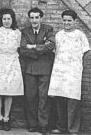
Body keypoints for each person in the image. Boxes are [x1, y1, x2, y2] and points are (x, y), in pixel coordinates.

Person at [48, 10, 90, 135]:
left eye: (69, 21)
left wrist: (81, 69)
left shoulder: (80, 35)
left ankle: (73, 129)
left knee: (73, 101)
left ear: (74, 21)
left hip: (73, 73)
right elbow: (54, 52)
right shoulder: (59, 35)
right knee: (60, 99)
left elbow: (87, 53)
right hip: (60, 73)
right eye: (64, 20)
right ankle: (61, 127)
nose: (66, 23)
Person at [20, 7, 55, 135]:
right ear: (29, 18)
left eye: (37, 17)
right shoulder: (24, 31)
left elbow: (51, 45)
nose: (34, 20)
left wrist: (34, 47)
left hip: (45, 69)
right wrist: (41, 50)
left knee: (44, 97)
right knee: (30, 97)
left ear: (41, 18)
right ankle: (32, 124)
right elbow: (23, 49)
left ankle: (43, 125)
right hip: (30, 69)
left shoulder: (48, 29)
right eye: (32, 17)